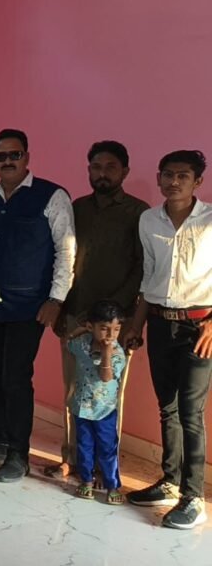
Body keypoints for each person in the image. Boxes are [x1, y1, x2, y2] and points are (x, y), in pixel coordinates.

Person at [0, 128, 75, 483]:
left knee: (16, 377)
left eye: (15, 154)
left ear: (27, 157)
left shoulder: (52, 195)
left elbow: (66, 250)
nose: (8, 161)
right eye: (1, 156)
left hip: (29, 306)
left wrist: (56, 299)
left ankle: (18, 454)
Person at [45, 141, 148, 478]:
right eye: (96, 167)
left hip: (116, 322)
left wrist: (115, 312)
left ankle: (106, 466)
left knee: (109, 392)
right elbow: (65, 257)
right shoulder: (77, 208)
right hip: (76, 315)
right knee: (74, 389)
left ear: (125, 172)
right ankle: (72, 458)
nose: (102, 173)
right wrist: (61, 307)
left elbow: (141, 267)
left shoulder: (138, 212)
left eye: (110, 167)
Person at [124, 150, 212, 530]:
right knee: (168, 407)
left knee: (191, 412)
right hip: (160, 324)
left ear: (197, 182)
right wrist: (135, 325)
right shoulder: (148, 220)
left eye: (183, 175)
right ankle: (170, 482)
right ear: (159, 177)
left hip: (200, 327)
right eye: (168, 174)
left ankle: (194, 497)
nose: (174, 182)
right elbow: (149, 277)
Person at [67, 299, 127, 505]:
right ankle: (86, 481)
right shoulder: (82, 344)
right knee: (84, 446)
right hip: (82, 408)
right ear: (91, 327)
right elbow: (68, 341)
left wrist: (106, 354)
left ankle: (112, 486)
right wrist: (81, 330)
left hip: (104, 411)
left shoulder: (117, 353)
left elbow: (106, 377)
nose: (110, 335)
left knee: (107, 448)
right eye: (104, 328)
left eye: (116, 329)